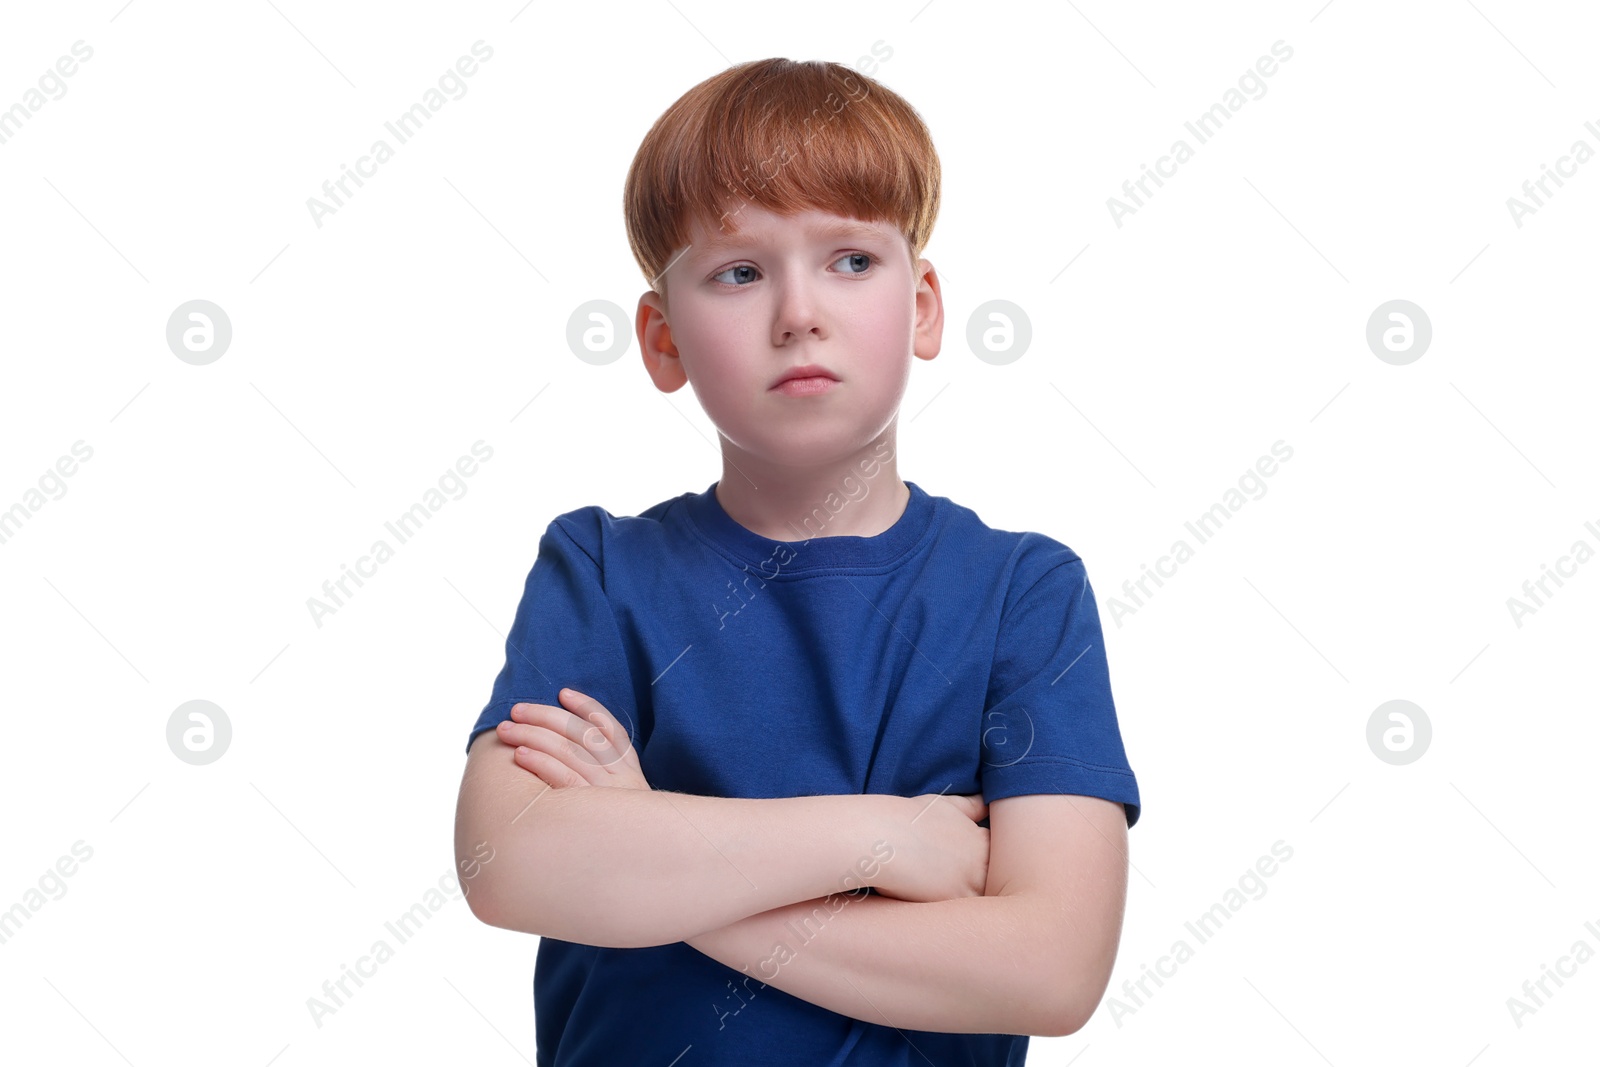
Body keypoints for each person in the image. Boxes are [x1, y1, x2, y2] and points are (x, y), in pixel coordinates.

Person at [453, 56, 1141, 1066]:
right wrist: (887, 838)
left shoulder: (1022, 593)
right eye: (739, 271)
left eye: (851, 260)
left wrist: (652, 857)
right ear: (662, 339)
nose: (798, 311)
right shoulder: (600, 570)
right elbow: (505, 858)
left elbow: (1050, 965)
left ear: (923, 306)